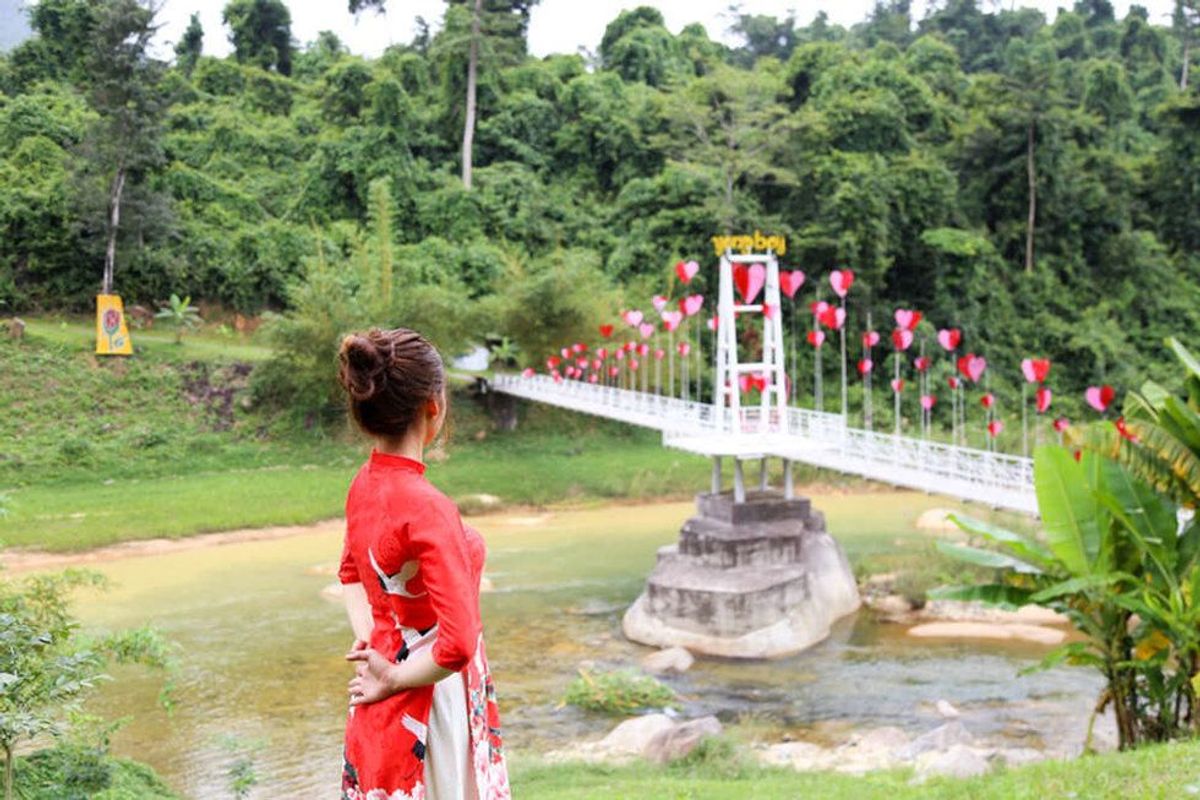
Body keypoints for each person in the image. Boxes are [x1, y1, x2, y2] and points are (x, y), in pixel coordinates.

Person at [335, 327, 508, 800]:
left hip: (384, 689)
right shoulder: (427, 506)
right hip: (432, 700)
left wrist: (376, 645)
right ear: (434, 406)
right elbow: (456, 646)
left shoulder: (364, 484)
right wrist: (392, 675)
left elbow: (350, 574)